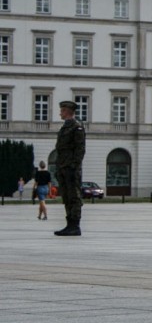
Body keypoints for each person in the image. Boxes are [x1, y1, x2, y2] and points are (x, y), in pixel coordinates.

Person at [53, 100, 86, 236]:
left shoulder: (76, 127)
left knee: (74, 196)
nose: (60, 113)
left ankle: (75, 225)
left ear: (67, 111)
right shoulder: (65, 127)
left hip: (71, 168)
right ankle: (69, 224)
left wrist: (74, 166)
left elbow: (80, 149)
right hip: (63, 166)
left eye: (62, 110)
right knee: (66, 196)